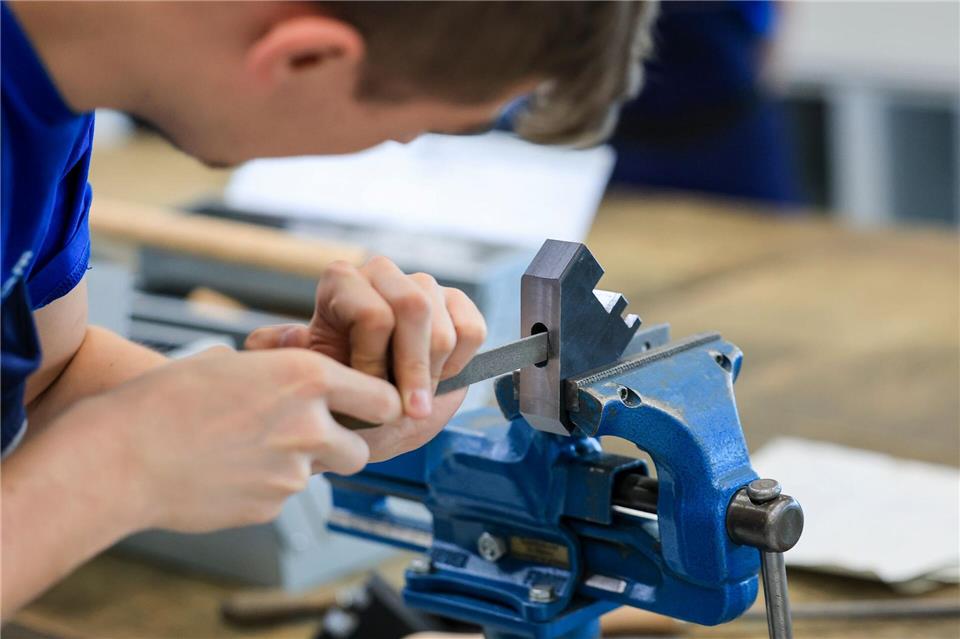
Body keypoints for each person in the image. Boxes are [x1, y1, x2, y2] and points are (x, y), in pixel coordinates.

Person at [0, 1, 656, 617]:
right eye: (410, 130)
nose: (397, 148)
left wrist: (288, 407)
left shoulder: (56, 85)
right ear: (306, 59)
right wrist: (121, 467)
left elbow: (46, 376)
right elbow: (102, 454)